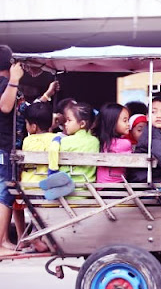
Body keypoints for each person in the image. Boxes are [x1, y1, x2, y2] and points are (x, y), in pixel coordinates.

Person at [0, 46, 27, 256]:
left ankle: (5, 240)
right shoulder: (5, 84)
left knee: (5, 193)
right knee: (5, 193)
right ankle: (0, 244)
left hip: (3, 146)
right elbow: (5, 107)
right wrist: (14, 80)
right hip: (3, 146)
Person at [19, 102, 56, 252]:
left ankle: (35, 236)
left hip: (28, 187)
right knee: (45, 212)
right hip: (47, 187)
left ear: (33, 127)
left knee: (38, 212)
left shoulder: (27, 141)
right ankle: (36, 235)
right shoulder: (56, 138)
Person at [51, 101, 100, 183]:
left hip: (66, 190)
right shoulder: (96, 141)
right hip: (88, 189)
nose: (66, 124)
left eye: (69, 120)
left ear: (82, 124)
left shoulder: (65, 141)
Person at [94, 103, 132, 184]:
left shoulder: (98, 141)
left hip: (100, 186)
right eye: (125, 121)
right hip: (117, 186)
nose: (128, 124)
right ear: (112, 122)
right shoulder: (124, 143)